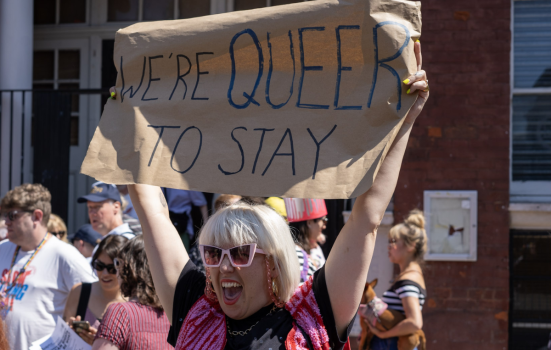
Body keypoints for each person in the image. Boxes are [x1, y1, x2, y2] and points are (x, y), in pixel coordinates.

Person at [121, 41, 429, 350]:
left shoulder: (314, 313)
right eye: (214, 254)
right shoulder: (194, 309)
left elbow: (366, 218)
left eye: (241, 253)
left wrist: (404, 119)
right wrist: (126, 118)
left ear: (274, 262)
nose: (223, 267)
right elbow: (153, 214)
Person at [0, 183, 96, 350]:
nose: (6, 221)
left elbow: (96, 297)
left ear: (37, 216)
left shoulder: (65, 254)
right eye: (4, 215)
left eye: (12, 215)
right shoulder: (3, 248)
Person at [92, 236, 173, 350]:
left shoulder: (120, 313)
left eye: (117, 263)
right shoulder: (176, 315)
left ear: (128, 267)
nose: (116, 270)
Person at [367, 210, 427, 350]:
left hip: (392, 344)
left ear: (410, 246)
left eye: (393, 241)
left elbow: (415, 322)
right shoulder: (411, 276)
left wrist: (384, 335)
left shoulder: (407, 280)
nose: (389, 246)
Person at [64, 235, 128, 345]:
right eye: (99, 266)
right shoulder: (80, 291)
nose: (104, 273)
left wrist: (98, 343)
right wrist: (70, 332)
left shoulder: (136, 300)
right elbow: (62, 338)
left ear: (126, 267)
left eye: (112, 268)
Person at [78, 182, 136, 246]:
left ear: (116, 207)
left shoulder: (127, 243)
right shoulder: (105, 241)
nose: (92, 213)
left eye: (98, 206)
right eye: (90, 207)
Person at [285, 198, 328, 277]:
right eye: (324, 220)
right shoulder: (297, 255)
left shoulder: (314, 248)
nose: (324, 226)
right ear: (309, 222)